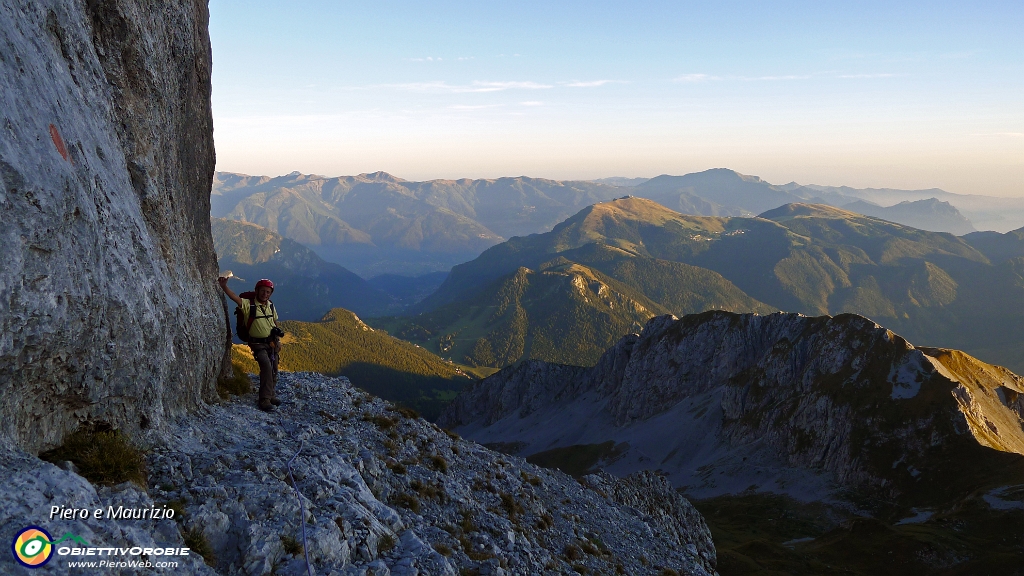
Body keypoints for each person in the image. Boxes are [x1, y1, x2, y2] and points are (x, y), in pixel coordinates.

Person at [218, 277, 282, 412]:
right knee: (266, 366)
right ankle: (264, 400)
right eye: (263, 291)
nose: (265, 294)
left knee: (274, 367)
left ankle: (271, 395)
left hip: (271, 342)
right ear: (257, 291)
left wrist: (278, 339)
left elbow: (274, 321)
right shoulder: (249, 305)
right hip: (257, 343)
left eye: (268, 292)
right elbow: (235, 298)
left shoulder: (270, 305)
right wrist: (224, 287)